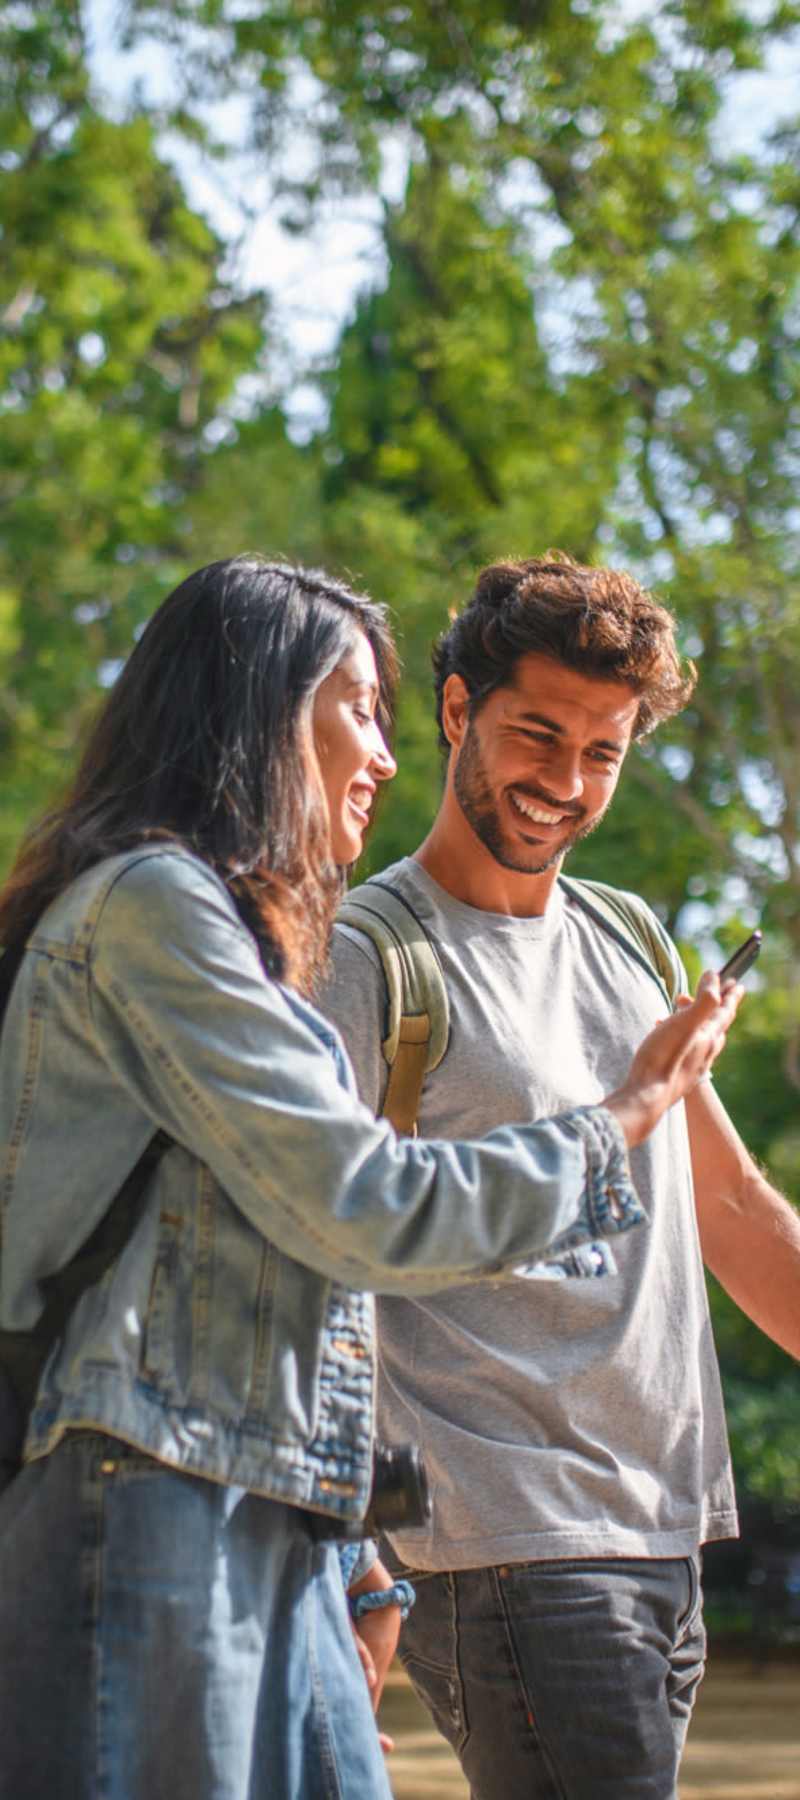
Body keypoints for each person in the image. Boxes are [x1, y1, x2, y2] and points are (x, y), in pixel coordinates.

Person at [0, 556, 739, 1800]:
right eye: (358, 709)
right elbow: (362, 1210)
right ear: (260, 708)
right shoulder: (157, 911)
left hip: (274, 1506)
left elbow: (292, 1269)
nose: (382, 758)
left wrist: (353, 1556)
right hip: (153, 1498)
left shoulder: (236, 934)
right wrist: (627, 1109)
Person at [322, 553, 800, 1800]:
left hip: (667, 1525)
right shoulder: (368, 959)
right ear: (453, 710)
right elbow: (308, 1250)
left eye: (602, 752)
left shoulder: (629, 935)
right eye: (537, 734)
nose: (563, 783)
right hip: (505, 1541)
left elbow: (737, 1217)